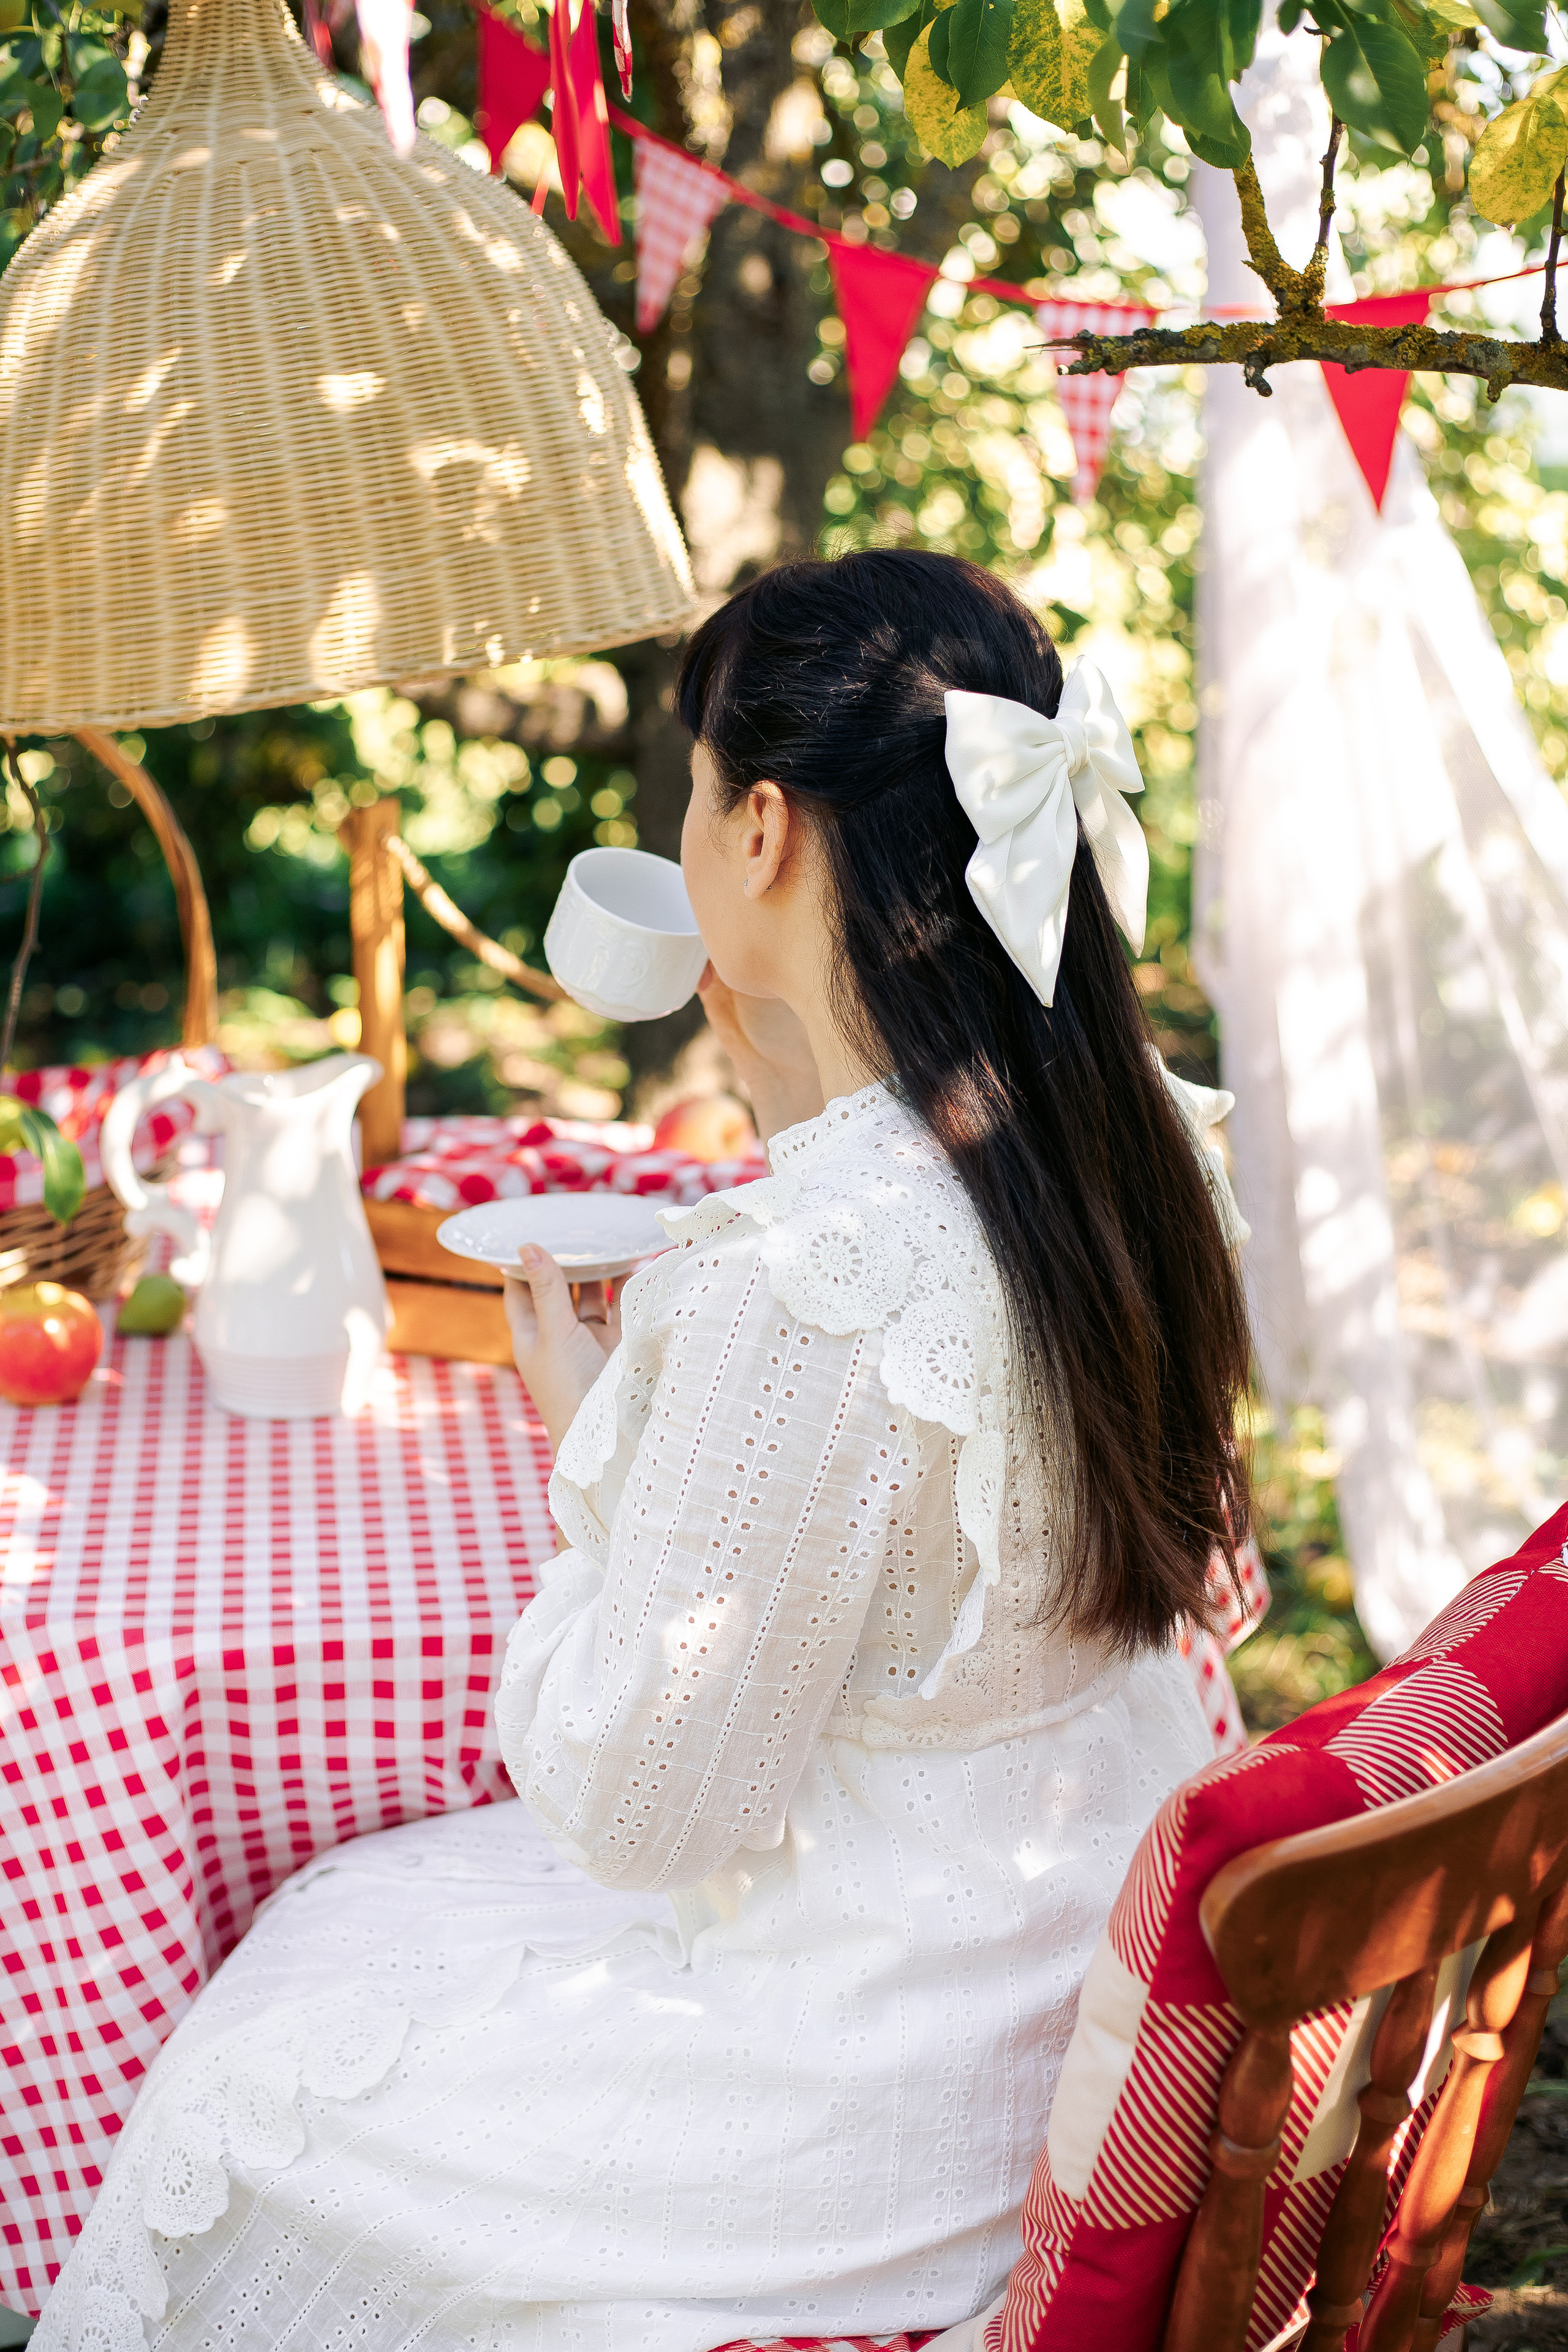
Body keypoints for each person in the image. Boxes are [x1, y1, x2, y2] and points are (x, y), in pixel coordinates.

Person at [36, 551, 1254, 2352]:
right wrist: (773, 1052)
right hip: (1055, 1986)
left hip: (880, 2097)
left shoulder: (802, 1286)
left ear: (760, 832)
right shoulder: (1130, 1146)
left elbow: (637, 1810)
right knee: (342, 1924)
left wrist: (591, 1463)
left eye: (692, 794)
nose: (681, 834)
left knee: (237, 2093)